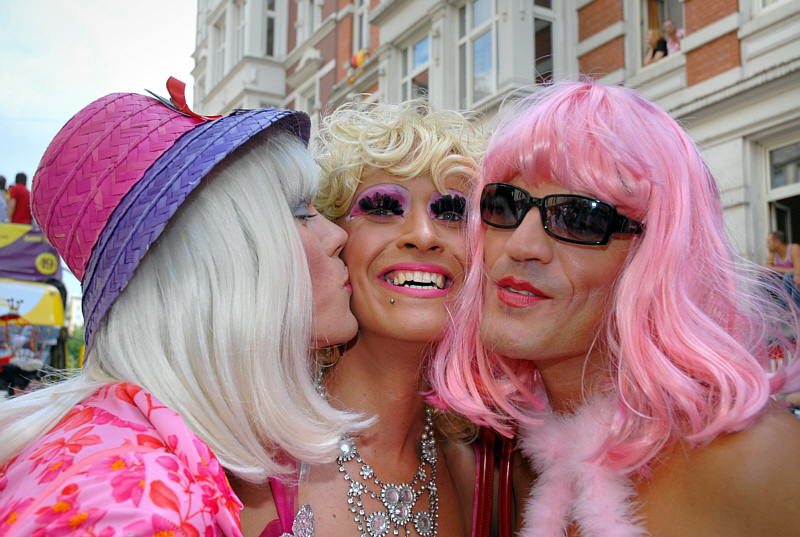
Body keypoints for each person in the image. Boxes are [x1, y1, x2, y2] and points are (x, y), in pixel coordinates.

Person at [432, 81, 800, 536]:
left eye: (579, 218)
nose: (521, 244)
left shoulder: (753, 459)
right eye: (505, 205)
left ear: (659, 256)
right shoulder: (513, 465)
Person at [0, 80, 364, 537]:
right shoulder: (142, 507)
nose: (338, 235)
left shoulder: (129, 451)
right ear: (218, 261)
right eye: (299, 212)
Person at [308, 100, 529, 537]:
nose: (423, 236)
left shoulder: (497, 473)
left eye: (451, 213)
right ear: (336, 241)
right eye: (385, 206)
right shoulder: (244, 455)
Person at [765, 230, 800, 305]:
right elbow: (768, 271)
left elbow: (798, 270)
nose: (766, 245)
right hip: (782, 286)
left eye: (768, 242)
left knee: (788, 275)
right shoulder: (773, 254)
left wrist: (775, 269)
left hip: (795, 282)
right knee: (762, 281)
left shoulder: (793, 248)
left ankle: (781, 310)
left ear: (777, 242)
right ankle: (762, 312)